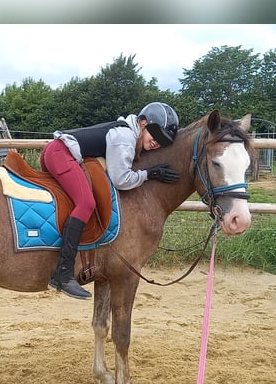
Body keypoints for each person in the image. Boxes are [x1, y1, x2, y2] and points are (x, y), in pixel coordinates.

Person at [40, 101, 181, 300]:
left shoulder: (127, 133)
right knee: (86, 203)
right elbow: (121, 180)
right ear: (142, 123)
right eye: (156, 134)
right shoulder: (124, 137)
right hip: (60, 153)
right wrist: (148, 174)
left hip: (60, 152)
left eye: (163, 141)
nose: (157, 142)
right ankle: (62, 273)